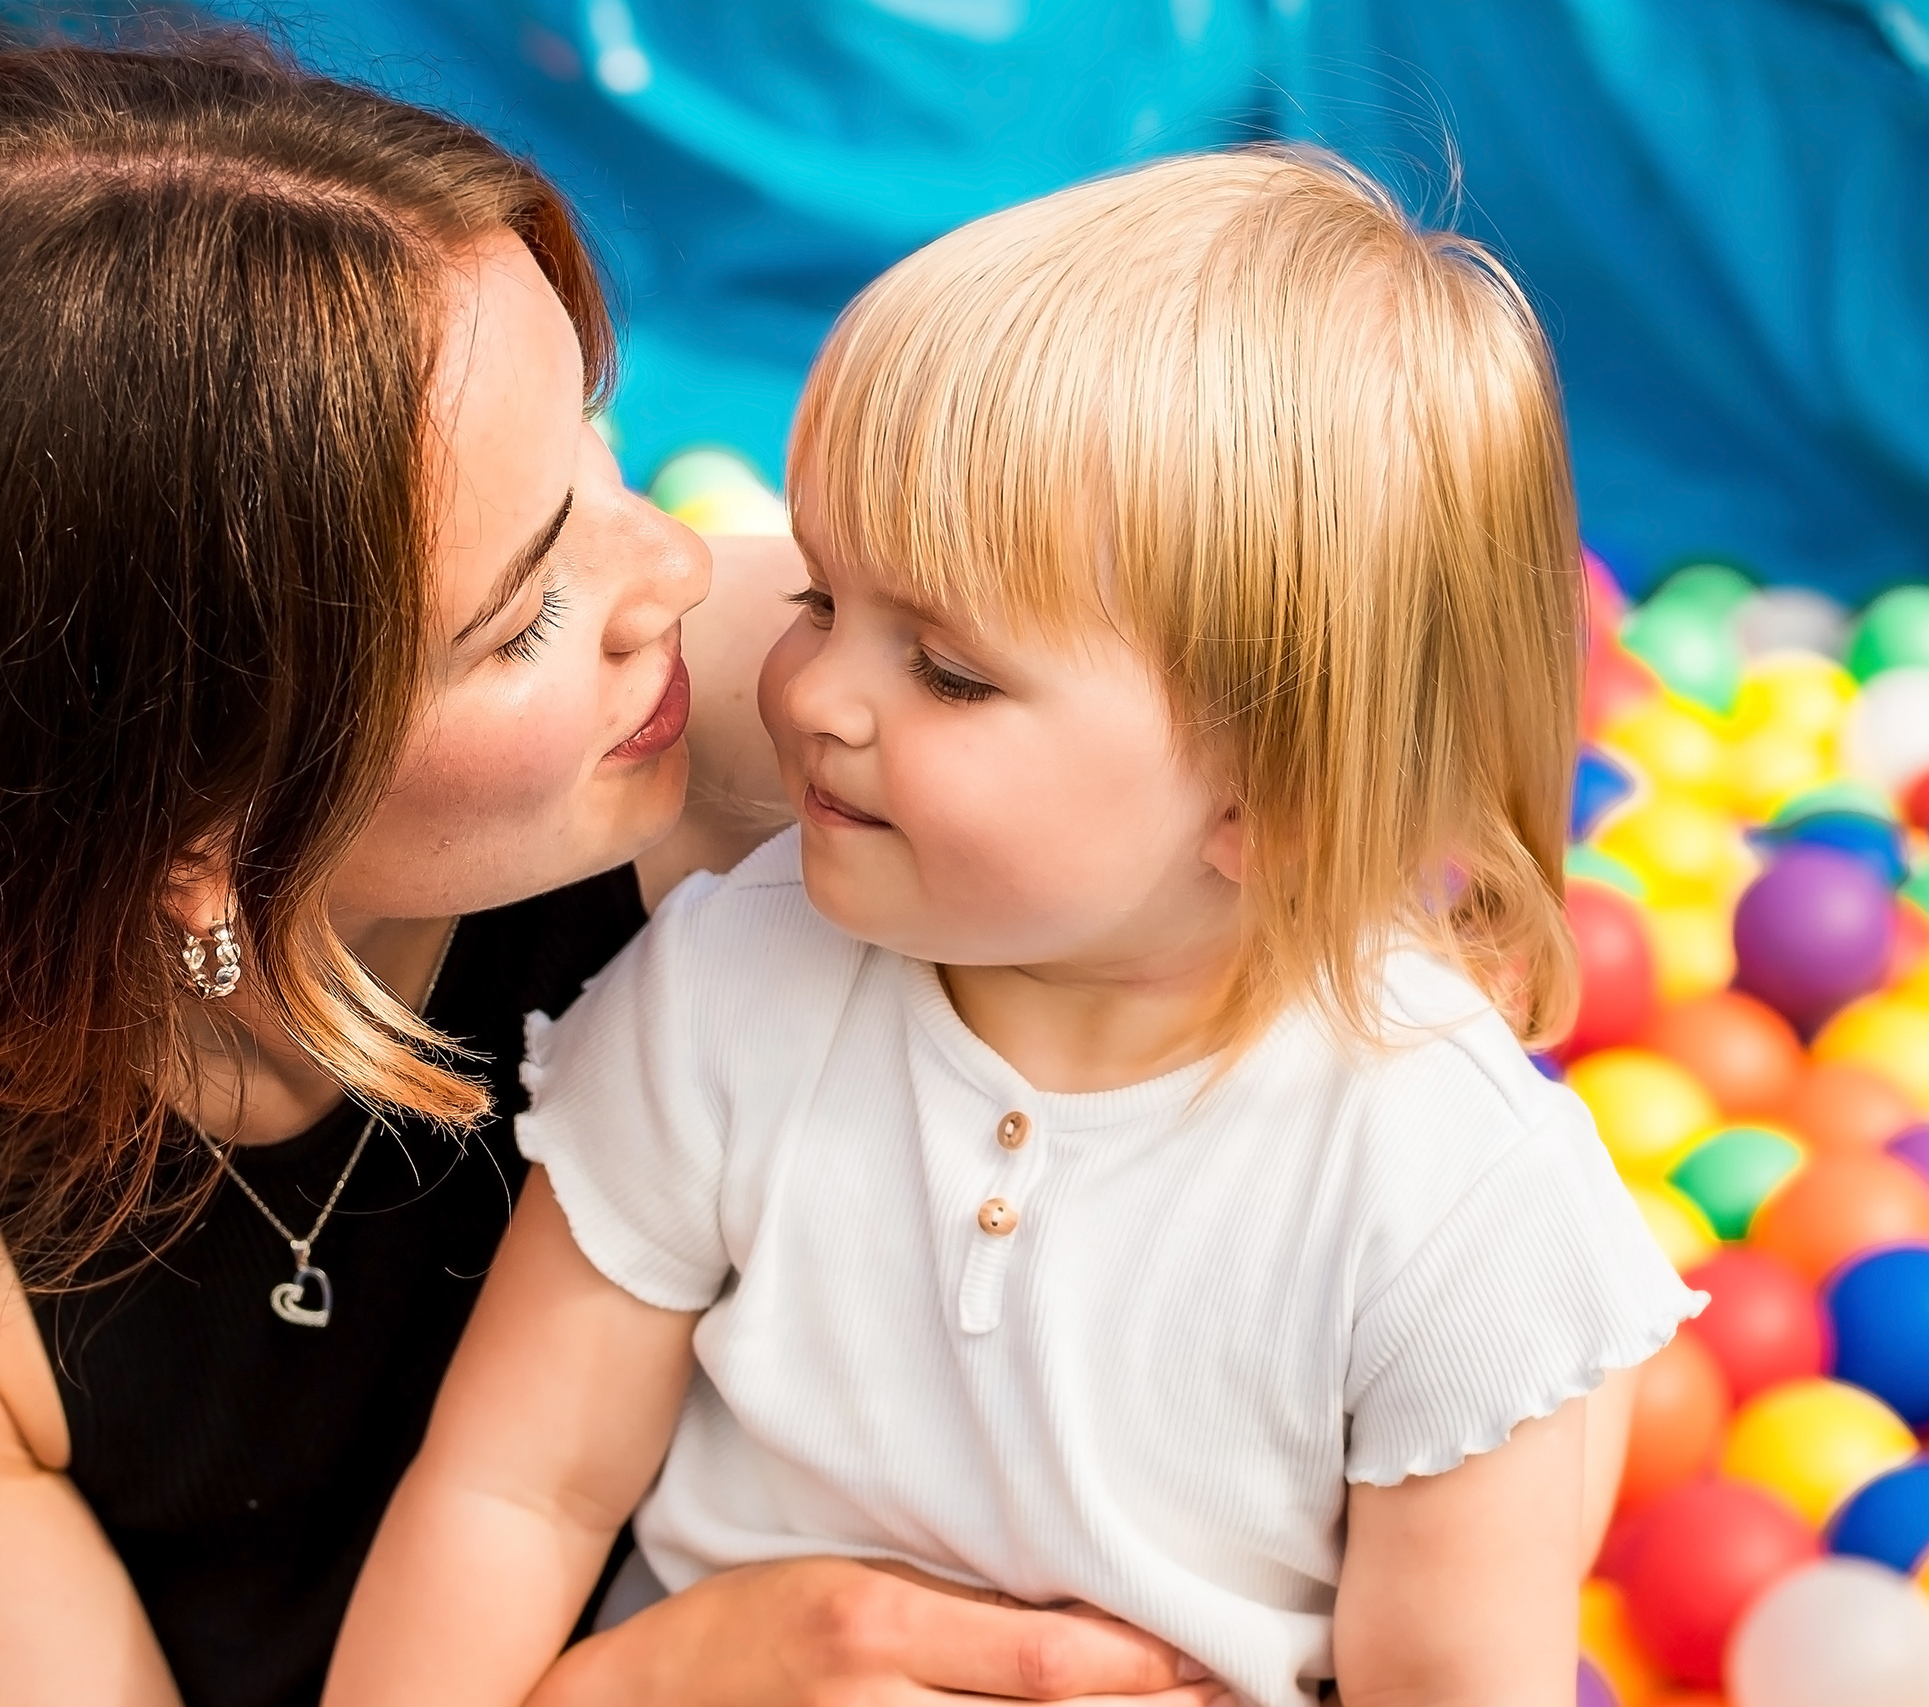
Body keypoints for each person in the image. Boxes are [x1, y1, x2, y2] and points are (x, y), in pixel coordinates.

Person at [0, 37, 1223, 1707]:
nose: (684, 565)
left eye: (597, 441)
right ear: (186, 832)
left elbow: (1330, 793)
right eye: (523, 611)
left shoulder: (792, 718)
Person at [325, 151, 1696, 1707]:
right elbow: (519, 1491)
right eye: (824, 599)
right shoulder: (731, 989)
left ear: (1279, 803)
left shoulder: (1447, 1198)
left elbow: (1449, 1680)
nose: (816, 699)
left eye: (953, 672)